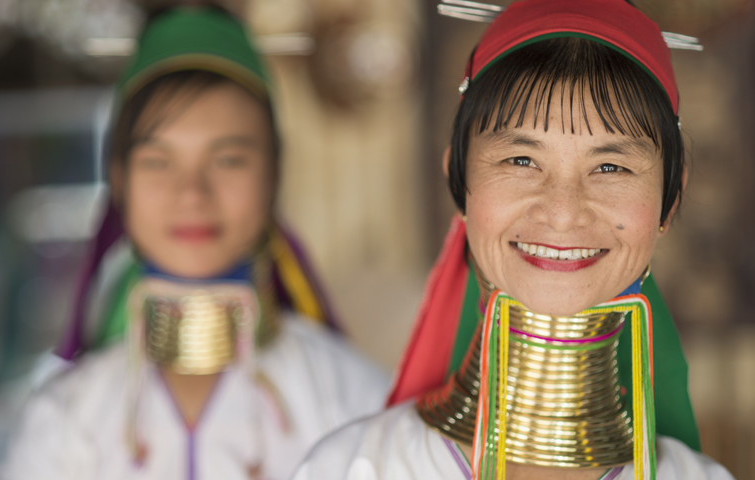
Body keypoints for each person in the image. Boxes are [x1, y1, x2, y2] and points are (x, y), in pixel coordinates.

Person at [293, 0, 735, 479]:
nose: (563, 213)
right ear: (458, 181)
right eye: (521, 160)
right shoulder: (354, 467)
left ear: (670, 201)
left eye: (611, 167)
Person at [0, 7, 388, 480]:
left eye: (227, 160)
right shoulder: (63, 420)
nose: (192, 193)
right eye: (158, 162)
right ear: (117, 181)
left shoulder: (352, 399)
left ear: (275, 174)